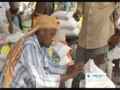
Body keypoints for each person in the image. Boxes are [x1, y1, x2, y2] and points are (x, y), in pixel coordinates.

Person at [0, 15, 84, 88]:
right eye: (51, 35)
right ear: (42, 32)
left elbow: (50, 67)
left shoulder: (41, 46)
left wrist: (71, 68)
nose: (53, 38)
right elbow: (40, 80)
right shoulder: (30, 46)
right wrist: (68, 75)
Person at [72, 2, 119, 88]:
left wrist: (117, 15)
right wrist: (79, 11)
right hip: (83, 41)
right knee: (76, 76)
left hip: (100, 42)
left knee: (95, 80)